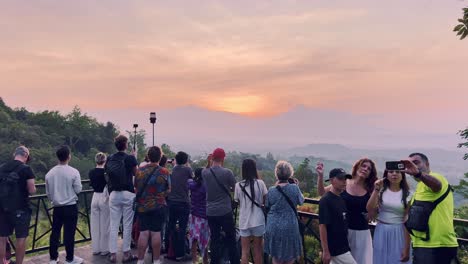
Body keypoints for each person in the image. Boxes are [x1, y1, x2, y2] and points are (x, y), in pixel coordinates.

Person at [317, 158, 377, 264]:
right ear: (357, 167)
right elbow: (322, 193)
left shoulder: (370, 189)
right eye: (363, 166)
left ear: (370, 173)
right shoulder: (345, 182)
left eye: (369, 169)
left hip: (361, 233)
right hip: (344, 232)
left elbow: (376, 209)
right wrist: (320, 176)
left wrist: (373, 212)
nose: (365, 169)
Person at [402, 153, 458, 264]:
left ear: (427, 164)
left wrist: (418, 174)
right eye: (410, 164)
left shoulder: (437, 177)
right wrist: (407, 248)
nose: (413, 166)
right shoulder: (419, 186)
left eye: (416, 162)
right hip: (422, 244)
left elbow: (437, 185)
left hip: (437, 245)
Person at [46, 145, 83, 264]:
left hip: (57, 207)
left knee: (55, 233)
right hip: (70, 206)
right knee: (69, 233)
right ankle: (70, 258)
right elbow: (78, 189)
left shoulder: (49, 173)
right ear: (69, 156)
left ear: (58, 157)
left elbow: (49, 194)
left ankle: (53, 258)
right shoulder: (74, 172)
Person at [202, 148, 239, 264]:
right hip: (225, 210)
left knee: (215, 239)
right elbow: (234, 188)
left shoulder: (205, 172)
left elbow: (206, 171)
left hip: (211, 211)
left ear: (212, 157)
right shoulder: (227, 173)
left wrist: (208, 162)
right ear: (223, 159)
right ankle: (234, 261)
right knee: (231, 239)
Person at [366, 169, 411, 264]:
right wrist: (376, 189)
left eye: (398, 172)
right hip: (381, 230)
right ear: (386, 175)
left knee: (398, 260)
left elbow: (407, 221)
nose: (394, 174)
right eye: (391, 172)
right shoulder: (381, 191)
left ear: (402, 175)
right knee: (380, 259)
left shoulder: (408, 194)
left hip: (399, 232)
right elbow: (369, 209)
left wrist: (406, 247)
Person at [0, 146, 36, 264]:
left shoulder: (2, 167)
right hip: (21, 209)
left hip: (3, 208)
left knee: (2, 238)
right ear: (25, 155)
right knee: (21, 238)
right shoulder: (26, 169)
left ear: (14, 154)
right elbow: (31, 190)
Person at [135, 146, 170, 264]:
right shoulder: (164, 171)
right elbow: (169, 189)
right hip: (158, 206)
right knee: (156, 233)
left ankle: (140, 260)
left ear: (148, 156)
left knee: (143, 233)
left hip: (142, 206)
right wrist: (160, 196)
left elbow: (136, 187)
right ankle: (156, 260)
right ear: (160, 157)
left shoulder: (139, 170)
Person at [106, 135, 138, 263]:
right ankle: (126, 254)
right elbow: (136, 174)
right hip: (127, 193)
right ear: (125, 145)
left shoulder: (110, 158)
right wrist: (134, 157)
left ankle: (112, 254)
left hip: (113, 194)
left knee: (113, 224)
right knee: (127, 224)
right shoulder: (130, 158)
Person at [264, 161, 304, 264]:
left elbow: (267, 204)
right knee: (290, 257)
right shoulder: (294, 188)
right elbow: (301, 201)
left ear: (276, 174)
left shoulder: (272, 190)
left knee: (275, 257)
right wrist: (296, 186)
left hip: (273, 226)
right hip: (290, 225)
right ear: (290, 174)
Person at [234, 159, 268, 264]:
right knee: (257, 251)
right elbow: (265, 200)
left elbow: (237, 201)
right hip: (258, 220)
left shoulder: (238, 185)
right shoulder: (260, 183)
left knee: (245, 252)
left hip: (244, 221)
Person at [319, 168, 355, 264]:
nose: (344, 181)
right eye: (340, 179)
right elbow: (322, 226)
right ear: (331, 180)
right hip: (335, 249)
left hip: (343, 245)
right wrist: (326, 251)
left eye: (345, 179)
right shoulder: (325, 200)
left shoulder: (341, 199)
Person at [167, 151, 193, 260]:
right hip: (183, 202)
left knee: (171, 226)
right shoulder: (188, 169)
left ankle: (170, 251)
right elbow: (193, 179)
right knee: (182, 228)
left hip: (171, 202)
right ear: (186, 160)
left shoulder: (172, 170)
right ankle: (180, 254)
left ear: (176, 160)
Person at [89, 152, 110, 256]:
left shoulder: (91, 172)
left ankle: (96, 248)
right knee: (105, 224)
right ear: (104, 161)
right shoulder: (106, 172)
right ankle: (104, 249)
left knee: (95, 225)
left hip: (94, 197)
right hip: (104, 197)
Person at [188, 168, 210, 264]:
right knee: (205, 239)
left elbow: (189, 181)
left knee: (194, 238)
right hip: (204, 216)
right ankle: (205, 260)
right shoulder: (206, 186)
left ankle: (194, 260)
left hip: (193, 215)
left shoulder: (192, 184)